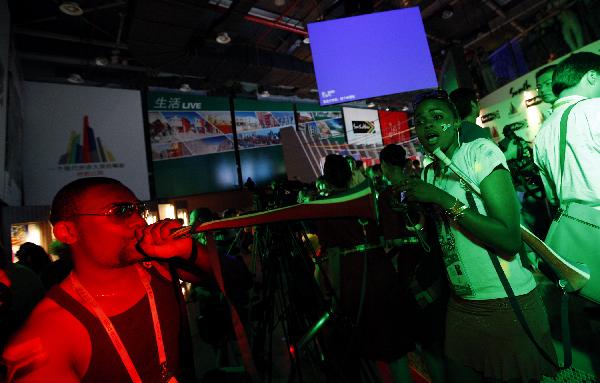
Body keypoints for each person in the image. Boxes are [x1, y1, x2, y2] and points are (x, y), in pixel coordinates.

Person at [401, 92, 556, 382]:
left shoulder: (479, 153)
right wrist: (418, 220)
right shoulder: (430, 172)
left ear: (456, 120)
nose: (428, 126)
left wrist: (443, 200)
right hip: (460, 304)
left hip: (503, 301)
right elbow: (444, 240)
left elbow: (509, 239)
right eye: (420, 121)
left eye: (438, 117)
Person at [2, 177, 214, 382]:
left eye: (138, 210)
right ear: (68, 232)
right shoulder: (49, 332)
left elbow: (237, 282)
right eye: (120, 212)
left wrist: (189, 251)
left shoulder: (160, 268)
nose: (140, 221)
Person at [316, 154, 413, 383]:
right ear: (350, 173)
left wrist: (331, 290)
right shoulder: (367, 196)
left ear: (326, 179)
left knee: (365, 347)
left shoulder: (323, 206)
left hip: (352, 279)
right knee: (395, 348)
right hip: (380, 271)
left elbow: (330, 253)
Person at [378, 144, 448, 383]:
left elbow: (392, 239)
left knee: (425, 341)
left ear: (386, 166)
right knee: (439, 339)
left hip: (410, 273)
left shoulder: (387, 196)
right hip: (434, 267)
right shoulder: (420, 187)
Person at [533, 52, 600, 210]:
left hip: (574, 224)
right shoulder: (595, 109)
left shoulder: (542, 133)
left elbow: (552, 196)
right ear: (591, 76)